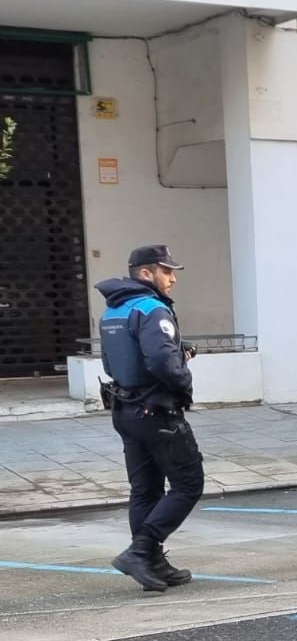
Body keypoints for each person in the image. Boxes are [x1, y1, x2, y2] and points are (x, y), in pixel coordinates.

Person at [96, 246, 203, 592]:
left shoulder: (113, 310)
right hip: (157, 411)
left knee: (145, 489)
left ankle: (151, 562)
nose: (172, 278)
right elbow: (161, 362)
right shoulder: (152, 308)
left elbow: (112, 365)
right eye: (166, 271)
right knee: (189, 484)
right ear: (146, 274)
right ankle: (140, 552)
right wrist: (184, 381)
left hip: (125, 409)